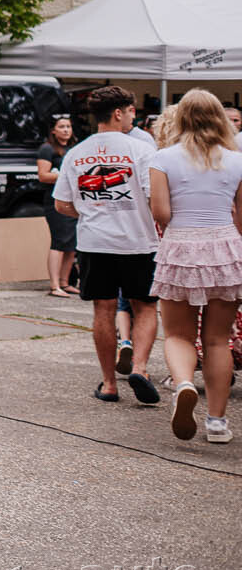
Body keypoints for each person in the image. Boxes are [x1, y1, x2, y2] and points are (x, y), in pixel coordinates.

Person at [52, 85, 160, 402]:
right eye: (130, 112)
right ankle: (140, 368)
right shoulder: (141, 149)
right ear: (117, 113)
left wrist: (90, 211)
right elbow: (153, 197)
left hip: (94, 242)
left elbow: (61, 204)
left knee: (103, 310)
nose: (132, 118)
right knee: (145, 307)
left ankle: (109, 384)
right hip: (138, 241)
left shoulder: (76, 152)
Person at [146, 89, 242, 444]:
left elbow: (161, 214)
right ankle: (217, 422)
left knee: (177, 335)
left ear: (182, 118)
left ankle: (185, 384)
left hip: (181, 246)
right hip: (225, 246)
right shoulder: (237, 160)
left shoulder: (163, 159)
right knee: (218, 339)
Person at [37, 115, 78, 296]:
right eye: (61, 127)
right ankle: (54, 285)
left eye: (68, 126)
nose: (66, 130)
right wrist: (66, 176)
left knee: (72, 243)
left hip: (73, 200)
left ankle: (65, 282)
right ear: (53, 130)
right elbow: (43, 175)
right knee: (59, 240)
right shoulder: (47, 149)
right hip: (54, 200)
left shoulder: (73, 149)